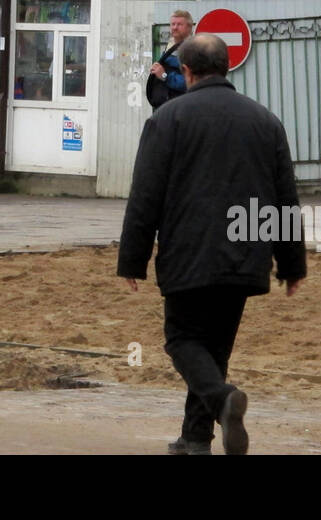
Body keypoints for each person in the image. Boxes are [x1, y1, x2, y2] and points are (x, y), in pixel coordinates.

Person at [119, 33, 306, 456]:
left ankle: (222, 401)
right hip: (247, 248)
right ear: (227, 67)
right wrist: (291, 264)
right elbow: (285, 197)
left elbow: (145, 194)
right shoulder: (265, 120)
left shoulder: (168, 119)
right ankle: (195, 437)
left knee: (182, 339)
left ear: (185, 72)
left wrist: (133, 258)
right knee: (214, 347)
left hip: (189, 249)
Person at [145, 10, 194, 110]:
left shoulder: (193, 49)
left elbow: (191, 82)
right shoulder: (171, 45)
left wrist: (164, 76)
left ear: (189, 27)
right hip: (166, 106)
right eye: (173, 24)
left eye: (179, 24)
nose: (175, 27)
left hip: (181, 108)